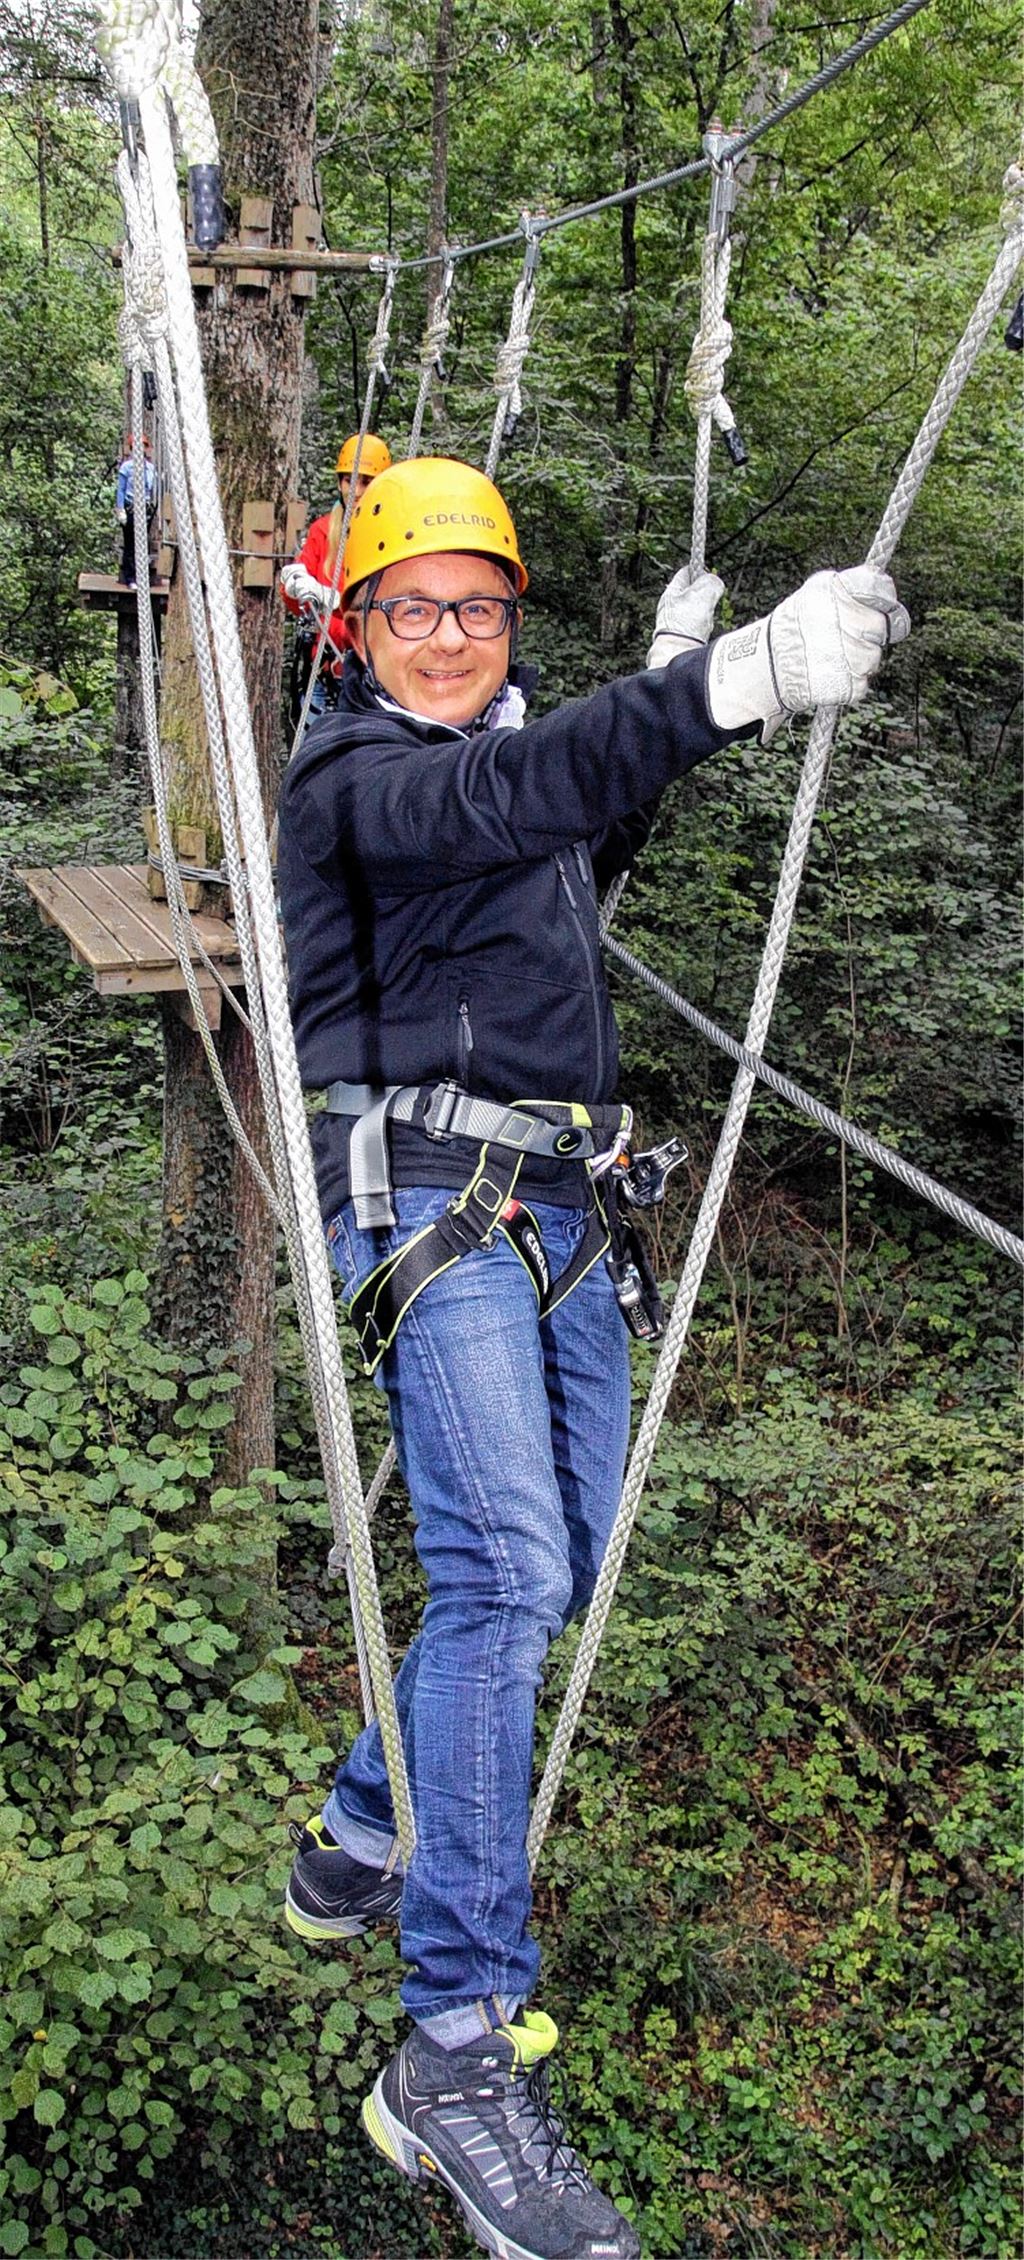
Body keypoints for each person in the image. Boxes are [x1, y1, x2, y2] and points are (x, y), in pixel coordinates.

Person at [276, 456, 908, 2260]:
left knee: (549, 1563)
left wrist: (661, 703)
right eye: (415, 608)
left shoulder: (483, 774)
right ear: (354, 631)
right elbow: (502, 795)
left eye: (479, 607)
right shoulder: (350, 783)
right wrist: (722, 684)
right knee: (503, 1577)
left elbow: (564, 846)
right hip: (430, 1197)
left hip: (561, 1202)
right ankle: (454, 2045)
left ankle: (364, 1819)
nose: (451, 635)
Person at [280, 431, 392, 720]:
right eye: (349, 481)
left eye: (366, 482)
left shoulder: (391, 538)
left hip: (371, 682)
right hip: (324, 675)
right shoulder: (324, 530)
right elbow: (300, 606)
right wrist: (294, 586)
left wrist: (332, 604)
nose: (356, 491)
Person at [114, 433, 157, 588]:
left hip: (144, 507)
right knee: (130, 543)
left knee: (143, 542)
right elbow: (121, 489)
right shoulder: (126, 467)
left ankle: (142, 576)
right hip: (130, 507)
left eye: (143, 446)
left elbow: (152, 489)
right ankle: (130, 578)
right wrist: (120, 509)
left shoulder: (150, 469)